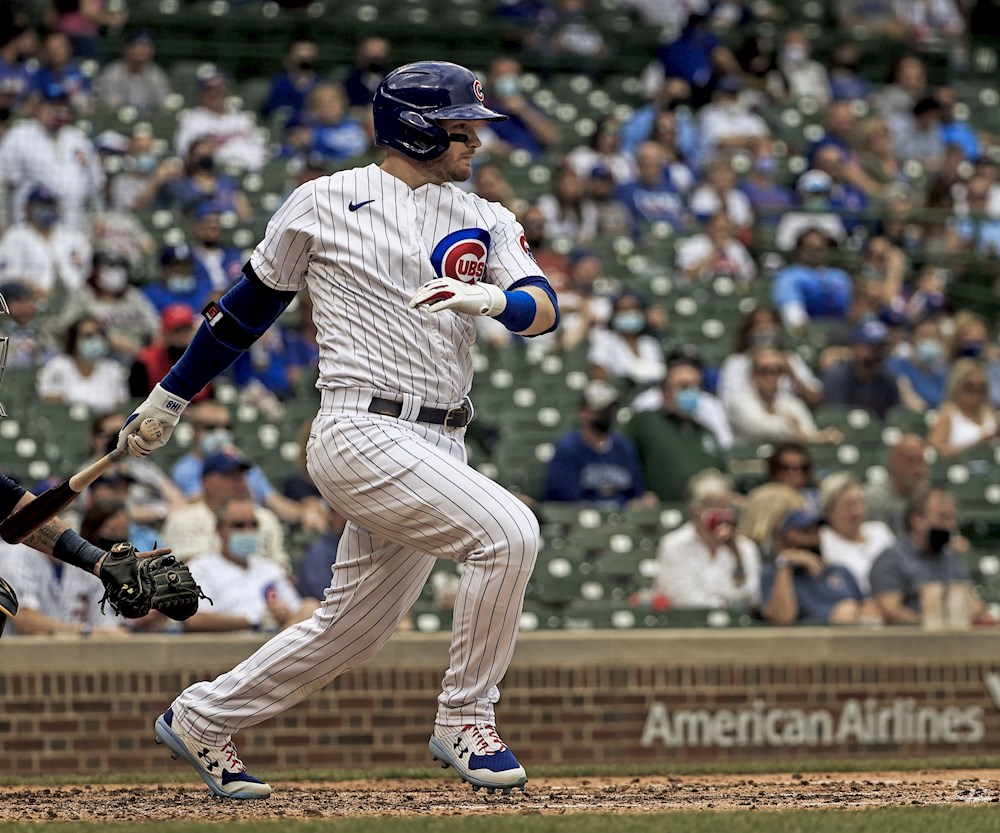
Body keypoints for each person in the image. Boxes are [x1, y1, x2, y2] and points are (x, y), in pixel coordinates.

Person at [118, 61, 559, 798]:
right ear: (415, 127)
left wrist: (491, 300)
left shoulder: (486, 215)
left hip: (440, 438)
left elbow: (543, 308)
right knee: (509, 531)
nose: (476, 140)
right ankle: (465, 717)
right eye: (461, 125)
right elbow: (246, 309)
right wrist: (171, 395)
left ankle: (200, 716)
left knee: (351, 628)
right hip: (359, 426)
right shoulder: (325, 200)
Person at [182, 498, 319, 633]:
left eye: (253, 524)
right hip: (227, 648)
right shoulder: (200, 568)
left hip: (274, 643)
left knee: (310, 607)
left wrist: (285, 614)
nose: (248, 531)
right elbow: (193, 619)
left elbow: (297, 611)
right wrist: (255, 621)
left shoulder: (270, 569)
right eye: (239, 525)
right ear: (219, 529)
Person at [869, 486, 988, 625]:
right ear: (917, 520)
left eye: (952, 518)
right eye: (943, 517)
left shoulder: (949, 557)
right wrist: (932, 625)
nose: (950, 525)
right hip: (909, 641)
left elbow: (973, 601)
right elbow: (891, 610)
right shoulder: (891, 560)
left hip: (955, 639)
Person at [0, 81, 104, 231]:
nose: (58, 111)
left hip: (73, 230)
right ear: (38, 106)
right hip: (28, 232)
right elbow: (2, 185)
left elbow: (95, 186)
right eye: (52, 105)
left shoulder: (79, 139)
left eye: (62, 106)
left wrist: (98, 217)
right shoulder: (18, 136)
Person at [652, 469, 760, 610]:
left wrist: (736, 552)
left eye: (726, 505)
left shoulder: (745, 547)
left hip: (736, 628)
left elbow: (750, 594)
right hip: (686, 625)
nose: (723, 512)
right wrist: (725, 606)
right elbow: (682, 598)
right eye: (715, 504)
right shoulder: (674, 544)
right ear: (696, 509)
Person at [625, 354, 727, 503]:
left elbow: (723, 473)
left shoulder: (706, 431)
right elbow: (620, 456)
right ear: (665, 391)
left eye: (695, 386)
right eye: (683, 386)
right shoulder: (646, 421)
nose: (691, 392)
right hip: (661, 513)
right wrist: (637, 494)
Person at [539, 380, 653, 509]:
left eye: (611, 409)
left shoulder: (624, 446)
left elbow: (637, 493)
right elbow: (566, 502)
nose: (608, 414)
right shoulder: (568, 448)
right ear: (583, 413)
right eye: (601, 410)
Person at [759, 509, 881, 626]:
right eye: (805, 531)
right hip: (808, 643)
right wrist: (784, 563)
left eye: (817, 531)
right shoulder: (772, 574)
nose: (814, 537)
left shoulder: (838, 570)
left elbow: (868, 606)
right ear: (785, 537)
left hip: (852, 636)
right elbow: (782, 619)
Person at [726, 348, 841, 446]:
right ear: (752, 374)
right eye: (763, 371)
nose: (770, 376)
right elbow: (761, 428)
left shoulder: (791, 402)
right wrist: (792, 425)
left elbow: (808, 433)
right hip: (748, 464)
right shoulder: (739, 400)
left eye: (776, 371)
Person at [716, 306, 822, 408]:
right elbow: (729, 402)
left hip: (789, 418)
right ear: (749, 330)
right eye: (758, 323)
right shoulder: (736, 362)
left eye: (770, 322)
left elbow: (816, 397)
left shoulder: (791, 358)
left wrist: (791, 373)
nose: (765, 328)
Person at [0, 185, 93, 294]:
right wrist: (33, 287)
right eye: (40, 205)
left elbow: (85, 270)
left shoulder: (73, 237)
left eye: (50, 204)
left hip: (73, 300)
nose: (46, 209)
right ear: (27, 208)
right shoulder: (15, 236)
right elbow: (6, 275)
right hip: (33, 301)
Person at [817, 472, 896, 596]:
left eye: (860, 502)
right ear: (829, 510)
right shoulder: (822, 540)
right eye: (849, 505)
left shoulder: (880, 531)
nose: (857, 511)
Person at [174, 69, 268, 172]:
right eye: (209, 89)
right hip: (215, 175)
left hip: (251, 176)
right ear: (200, 93)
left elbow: (261, 150)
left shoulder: (242, 119)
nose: (215, 93)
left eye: (219, 88)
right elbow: (186, 155)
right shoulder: (192, 120)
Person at [36, 315, 129, 412]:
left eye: (99, 335)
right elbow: (49, 405)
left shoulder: (114, 369)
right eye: (89, 336)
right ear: (74, 339)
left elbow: (121, 407)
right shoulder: (58, 366)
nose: (95, 340)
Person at [821, 319, 901, 419]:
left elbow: (893, 416)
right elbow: (834, 416)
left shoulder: (888, 381)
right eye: (872, 348)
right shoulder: (838, 377)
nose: (877, 354)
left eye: (881, 348)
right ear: (856, 348)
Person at [926, 359, 1000, 459]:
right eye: (969, 388)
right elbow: (934, 451)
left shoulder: (990, 412)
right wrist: (977, 445)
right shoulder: (948, 414)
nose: (975, 394)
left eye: (981, 389)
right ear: (957, 386)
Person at [864, 434, 930, 536]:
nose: (918, 469)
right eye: (911, 461)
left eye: (921, 461)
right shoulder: (874, 498)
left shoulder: (928, 498)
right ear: (893, 463)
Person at [94, 29, 171, 114]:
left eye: (147, 47)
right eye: (139, 46)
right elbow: (111, 106)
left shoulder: (157, 74)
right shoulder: (112, 73)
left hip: (151, 121)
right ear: (127, 49)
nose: (143, 51)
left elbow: (164, 105)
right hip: (116, 121)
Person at [676, 211, 756, 286]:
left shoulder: (736, 247)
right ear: (710, 227)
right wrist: (715, 251)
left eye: (724, 229)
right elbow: (687, 276)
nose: (721, 233)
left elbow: (750, 277)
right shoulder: (694, 245)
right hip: (702, 292)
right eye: (718, 229)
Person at [261, 37, 323, 128]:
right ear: (288, 58)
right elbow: (271, 110)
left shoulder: (322, 84)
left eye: (309, 55)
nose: (305, 58)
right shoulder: (279, 84)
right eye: (300, 55)